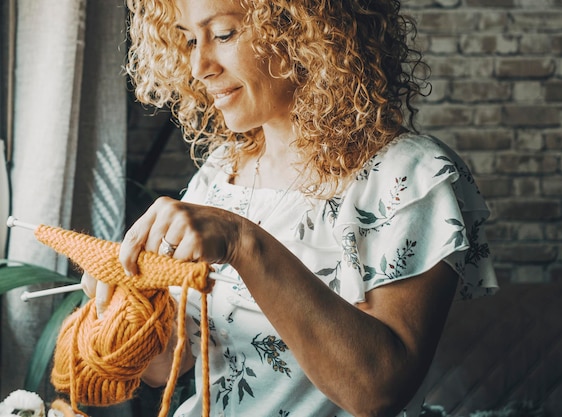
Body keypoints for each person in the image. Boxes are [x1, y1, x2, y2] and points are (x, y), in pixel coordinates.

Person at [82, 0, 498, 415]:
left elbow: (377, 391)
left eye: (223, 34)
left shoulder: (409, 177)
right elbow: (169, 364)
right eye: (190, 40)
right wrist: (126, 305)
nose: (199, 66)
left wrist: (242, 241)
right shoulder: (219, 175)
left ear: (305, 29)